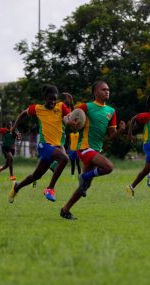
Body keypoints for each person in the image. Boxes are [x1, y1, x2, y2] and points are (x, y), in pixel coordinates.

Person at [60, 81, 126, 220]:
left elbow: (111, 135)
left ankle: (65, 210)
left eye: (108, 89)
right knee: (108, 167)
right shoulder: (86, 106)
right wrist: (69, 122)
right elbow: (68, 117)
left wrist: (120, 130)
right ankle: (83, 177)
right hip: (84, 148)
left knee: (85, 186)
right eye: (103, 89)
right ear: (95, 92)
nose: (107, 91)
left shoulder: (111, 111)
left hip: (96, 149)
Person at [8, 84, 77, 203]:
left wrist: (70, 103)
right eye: (50, 98)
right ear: (44, 97)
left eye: (55, 99)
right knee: (65, 159)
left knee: (35, 176)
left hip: (56, 147)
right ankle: (50, 189)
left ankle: (17, 187)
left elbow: (71, 118)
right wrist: (14, 128)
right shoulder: (37, 108)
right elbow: (23, 114)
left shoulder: (61, 107)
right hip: (44, 146)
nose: (53, 101)